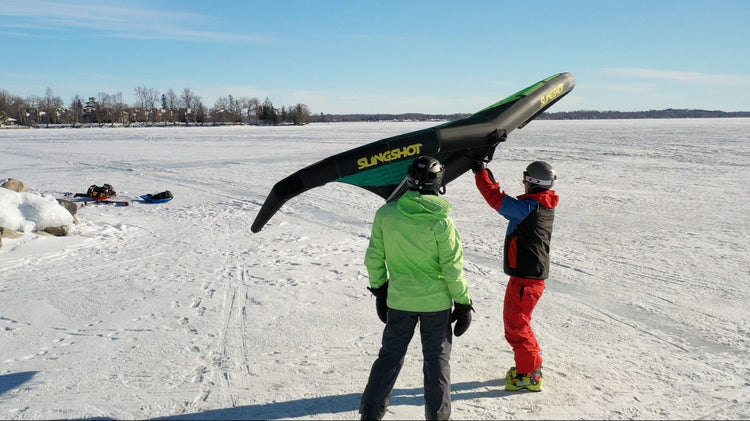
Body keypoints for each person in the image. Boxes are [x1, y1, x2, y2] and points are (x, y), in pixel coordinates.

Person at [360, 156, 473, 421]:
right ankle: (438, 417)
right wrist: (463, 302)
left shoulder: (386, 214)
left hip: (400, 301)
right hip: (436, 305)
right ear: (439, 183)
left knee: (389, 358)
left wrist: (380, 290)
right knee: (437, 363)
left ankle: (370, 414)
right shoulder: (442, 222)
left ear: (409, 180)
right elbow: (452, 267)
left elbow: (375, 257)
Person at [472, 160, 559, 392]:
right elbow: (504, 202)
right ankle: (531, 366)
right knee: (518, 324)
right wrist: (486, 174)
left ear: (531, 182)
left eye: (525, 178)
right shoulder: (538, 206)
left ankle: (529, 375)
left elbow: (497, 200)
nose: (523, 182)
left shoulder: (529, 209)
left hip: (526, 280)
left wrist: (480, 174)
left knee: (517, 327)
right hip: (527, 278)